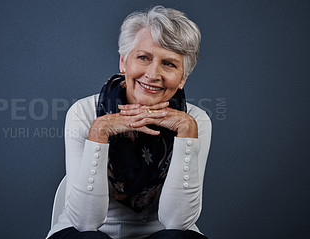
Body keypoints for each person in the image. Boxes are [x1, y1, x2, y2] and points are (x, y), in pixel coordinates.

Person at [47, 5, 211, 239]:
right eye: (143, 57)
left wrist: (186, 132)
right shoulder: (83, 112)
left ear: (183, 78)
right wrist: (100, 131)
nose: (153, 74)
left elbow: (177, 222)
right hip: (90, 232)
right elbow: (85, 222)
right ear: (123, 62)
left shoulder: (195, 120)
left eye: (169, 64)